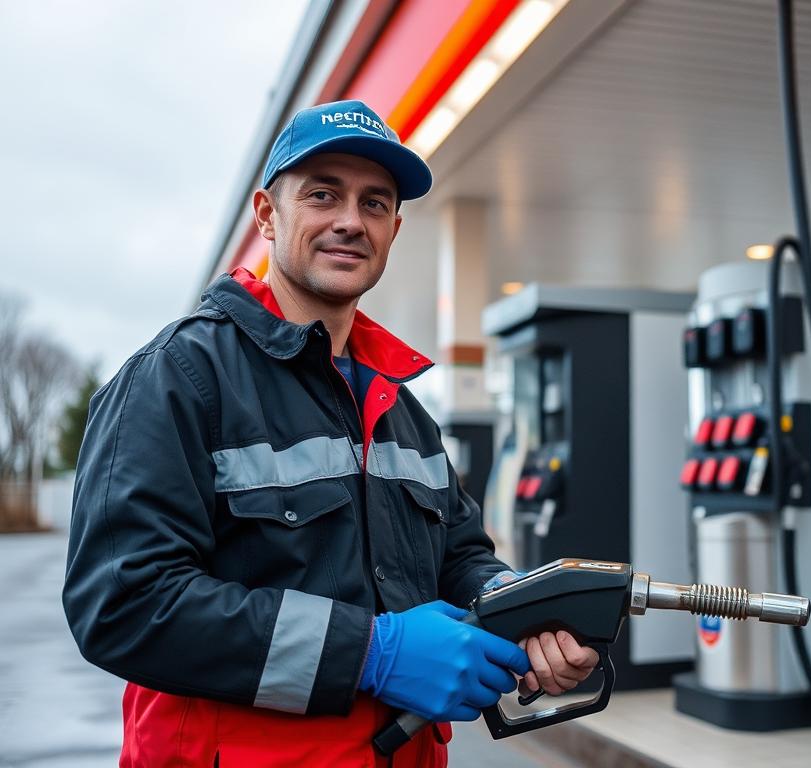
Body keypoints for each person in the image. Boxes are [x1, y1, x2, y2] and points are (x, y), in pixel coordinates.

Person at [63, 99, 598, 768]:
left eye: (375, 204)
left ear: (394, 230)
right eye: (323, 194)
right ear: (267, 214)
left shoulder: (401, 408)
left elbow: (459, 557)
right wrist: (372, 653)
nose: (350, 220)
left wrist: (520, 611)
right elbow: (123, 604)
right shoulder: (177, 378)